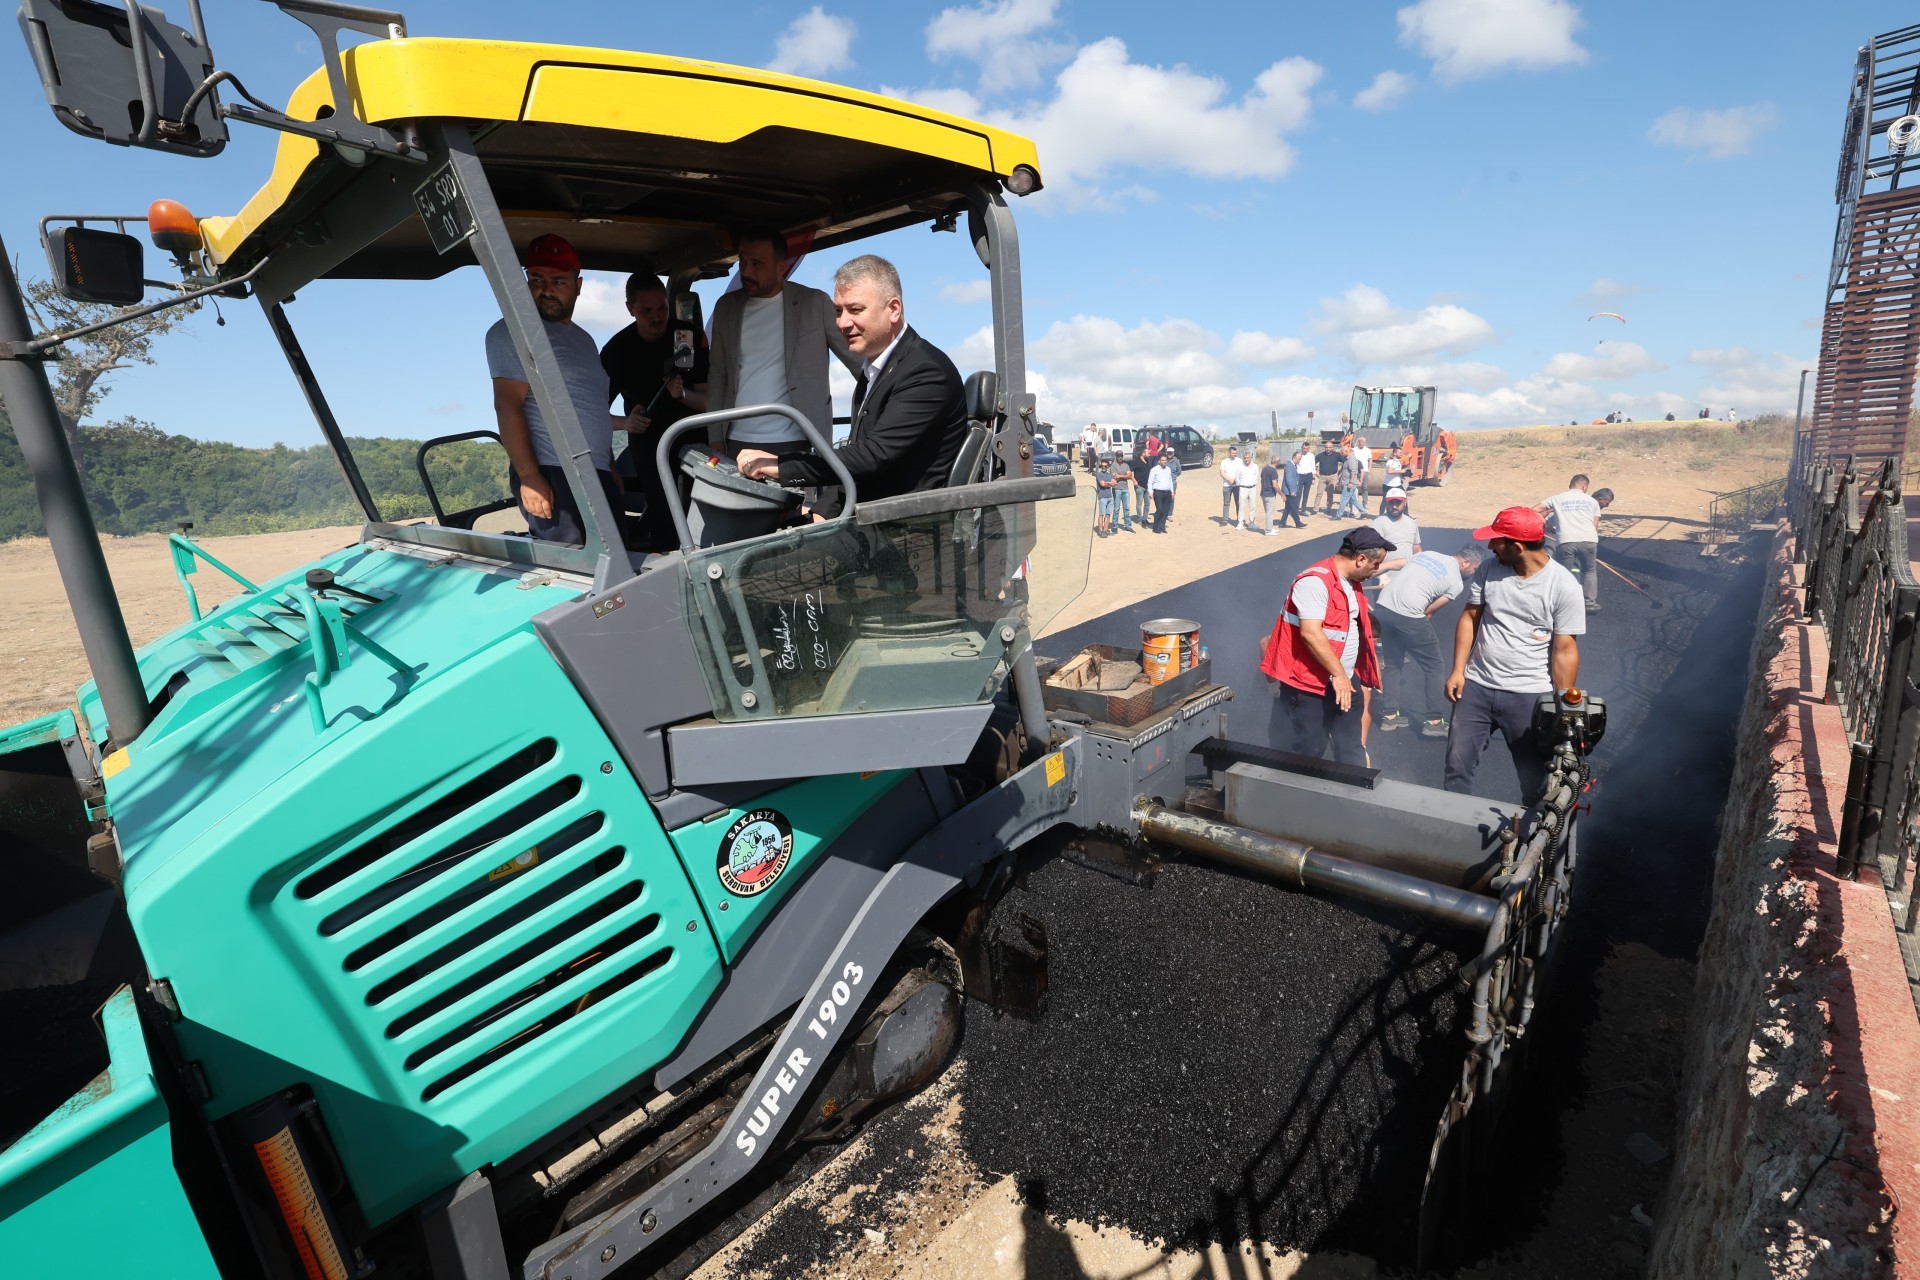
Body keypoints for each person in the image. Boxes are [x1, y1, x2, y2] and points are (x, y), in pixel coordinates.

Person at [738, 255, 964, 512]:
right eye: (838, 311)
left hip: (909, 530)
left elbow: (874, 455)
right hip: (872, 518)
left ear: (893, 309)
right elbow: (856, 462)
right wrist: (819, 514)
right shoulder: (875, 370)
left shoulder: (925, 371)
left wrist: (781, 465)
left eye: (855, 310)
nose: (843, 323)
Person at [486, 233, 630, 545]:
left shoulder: (584, 340)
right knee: (577, 569)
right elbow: (507, 404)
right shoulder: (514, 332)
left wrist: (609, 464)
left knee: (618, 564)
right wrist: (529, 476)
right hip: (554, 472)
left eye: (558, 281)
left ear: (578, 285)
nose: (546, 289)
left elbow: (589, 406)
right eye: (536, 279)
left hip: (597, 472)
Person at [1444, 507, 1585, 802]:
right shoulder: (1488, 569)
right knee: (1457, 767)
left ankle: (1533, 841)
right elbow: (1470, 618)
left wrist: (1561, 704)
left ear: (1517, 546)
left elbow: (1565, 649)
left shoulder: (1563, 586)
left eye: (1496, 540)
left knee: (1535, 778)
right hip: (1476, 688)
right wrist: (1458, 670)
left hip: (1528, 696)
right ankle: (1452, 829)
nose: (1490, 546)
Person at [1259, 528, 1391, 764]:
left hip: (1345, 682)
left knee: (1351, 748)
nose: (1377, 570)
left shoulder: (1351, 582)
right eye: (1376, 564)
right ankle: (1297, 795)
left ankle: (1352, 795)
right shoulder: (1314, 582)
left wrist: (1352, 676)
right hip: (1310, 686)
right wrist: (1338, 674)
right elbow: (1311, 633)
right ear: (1361, 559)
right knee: (1309, 749)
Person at [601, 273, 710, 552]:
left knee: (705, 521)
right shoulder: (617, 350)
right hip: (651, 451)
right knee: (665, 522)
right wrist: (626, 422)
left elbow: (712, 401)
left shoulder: (689, 337)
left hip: (699, 445)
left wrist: (683, 395)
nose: (657, 317)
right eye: (646, 311)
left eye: (661, 308)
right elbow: (591, 413)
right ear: (630, 309)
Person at [1375, 545, 1483, 738]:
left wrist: (1380, 568)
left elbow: (1397, 564)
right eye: (1474, 569)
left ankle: (1389, 715)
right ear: (1466, 562)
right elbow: (1428, 611)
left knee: (1393, 661)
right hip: (1408, 615)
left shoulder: (1428, 554)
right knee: (1434, 666)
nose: (1473, 574)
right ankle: (1434, 721)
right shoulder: (1456, 583)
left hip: (1382, 608)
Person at [1534, 474, 1612, 612]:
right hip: (1589, 540)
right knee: (1590, 571)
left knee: (1563, 572)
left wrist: (1542, 522)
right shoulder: (1592, 501)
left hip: (1566, 540)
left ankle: (1562, 603)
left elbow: (1534, 510)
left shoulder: (1556, 498)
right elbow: (1595, 526)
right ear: (1584, 486)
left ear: (1571, 485)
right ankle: (1589, 603)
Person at [1369, 486, 1421, 575]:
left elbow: (1416, 548)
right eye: (1391, 503)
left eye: (1398, 503)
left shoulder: (1411, 523)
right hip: (1386, 578)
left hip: (1408, 576)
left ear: (1405, 502)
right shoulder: (1378, 524)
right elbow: (1370, 553)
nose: (1394, 506)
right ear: (1386, 503)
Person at [1279, 444, 1309, 528]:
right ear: (1294, 457)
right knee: (1293, 507)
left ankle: (1282, 523)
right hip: (1289, 491)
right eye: (1299, 459)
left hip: (1289, 490)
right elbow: (1288, 479)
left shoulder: (1292, 465)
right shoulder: (1289, 465)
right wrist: (1292, 490)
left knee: (1288, 508)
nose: (1299, 461)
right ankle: (1298, 522)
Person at [1337, 444, 1366, 519]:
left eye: (1342, 452)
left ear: (1347, 451)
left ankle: (1339, 515)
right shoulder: (1347, 459)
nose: (1341, 453)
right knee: (1353, 499)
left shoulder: (1352, 460)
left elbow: (1354, 472)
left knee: (1343, 499)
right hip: (1347, 482)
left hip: (1349, 483)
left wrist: (1351, 483)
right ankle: (1364, 512)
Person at [1148, 454, 1175, 533]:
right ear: (1159, 461)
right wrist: (1150, 492)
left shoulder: (1168, 469)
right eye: (1163, 460)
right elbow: (1150, 482)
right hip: (1158, 492)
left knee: (1166, 510)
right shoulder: (1154, 469)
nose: (1164, 462)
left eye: (1165, 460)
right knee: (1159, 509)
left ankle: (1162, 526)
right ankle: (1156, 527)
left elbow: (1170, 481)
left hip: (1167, 492)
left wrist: (1172, 491)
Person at [1316, 439, 1343, 515]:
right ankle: (1315, 509)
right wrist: (1315, 473)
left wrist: (1340, 472)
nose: (1328, 449)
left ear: (1332, 448)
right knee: (1319, 493)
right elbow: (1312, 463)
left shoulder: (1337, 455)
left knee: (1330, 494)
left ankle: (1328, 508)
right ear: (1324, 448)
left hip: (1332, 476)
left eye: (1329, 447)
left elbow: (1346, 462)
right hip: (1322, 476)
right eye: (1326, 447)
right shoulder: (1320, 455)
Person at [1128, 446, 1153, 526]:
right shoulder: (1136, 461)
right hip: (1139, 486)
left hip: (1147, 486)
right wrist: (1134, 480)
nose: (1149, 453)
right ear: (1143, 453)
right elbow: (1129, 472)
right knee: (1139, 503)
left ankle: (1145, 519)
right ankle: (1140, 518)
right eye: (1147, 452)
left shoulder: (1147, 460)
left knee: (1147, 503)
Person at [1259, 452, 1282, 535]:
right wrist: (1281, 494)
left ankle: (1270, 527)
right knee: (1269, 513)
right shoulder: (1273, 471)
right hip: (1270, 494)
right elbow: (1275, 485)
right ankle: (1268, 530)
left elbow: (1262, 480)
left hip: (1263, 493)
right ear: (1277, 462)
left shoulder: (1265, 469)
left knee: (1268, 512)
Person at [1110, 453, 1134, 531]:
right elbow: (1114, 478)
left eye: (1121, 456)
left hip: (1125, 489)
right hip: (1117, 488)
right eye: (1118, 456)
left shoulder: (1126, 465)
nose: (1120, 457)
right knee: (1116, 508)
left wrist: (1120, 476)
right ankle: (1114, 526)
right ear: (1116, 456)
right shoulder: (1113, 466)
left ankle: (1128, 526)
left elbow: (1130, 476)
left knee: (1127, 508)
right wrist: (1124, 476)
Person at [1220, 446, 1243, 525]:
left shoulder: (1240, 461)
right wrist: (1229, 480)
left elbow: (1241, 472)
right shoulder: (1224, 461)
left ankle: (1239, 519)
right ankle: (1225, 520)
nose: (1235, 454)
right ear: (1229, 453)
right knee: (1226, 503)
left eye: (1235, 453)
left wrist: (1235, 480)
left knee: (1238, 502)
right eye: (1233, 453)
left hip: (1237, 485)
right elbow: (1222, 473)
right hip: (1227, 485)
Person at [1237, 449, 1259, 531]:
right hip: (1243, 488)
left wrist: (1252, 484)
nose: (1246, 459)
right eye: (1245, 458)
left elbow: (1256, 476)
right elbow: (1237, 477)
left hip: (1252, 488)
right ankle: (1240, 523)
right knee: (1241, 506)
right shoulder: (1240, 467)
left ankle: (1251, 523)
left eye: (1248, 458)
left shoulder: (1255, 466)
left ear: (1251, 458)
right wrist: (1243, 484)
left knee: (1253, 506)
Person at [1094, 456, 1117, 536]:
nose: (1103, 467)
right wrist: (1109, 484)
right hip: (1102, 497)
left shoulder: (1109, 475)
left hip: (1110, 497)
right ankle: (1100, 531)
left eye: (1105, 466)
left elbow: (1115, 483)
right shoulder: (1099, 475)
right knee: (1101, 514)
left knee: (1108, 514)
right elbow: (1102, 484)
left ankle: (1106, 529)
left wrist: (1108, 484)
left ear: (1107, 466)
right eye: (1102, 466)